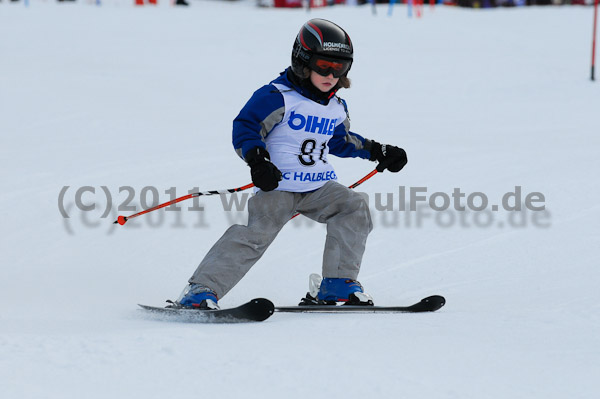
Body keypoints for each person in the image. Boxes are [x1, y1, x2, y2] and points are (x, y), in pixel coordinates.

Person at [177, 19, 407, 309]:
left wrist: (377, 150)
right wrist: (257, 161)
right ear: (302, 61)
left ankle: (337, 284)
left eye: (339, 68)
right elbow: (247, 127)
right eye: (324, 65)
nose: (330, 75)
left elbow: (340, 141)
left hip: (318, 188)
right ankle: (201, 290)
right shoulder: (277, 96)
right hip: (278, 187)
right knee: (255, 236)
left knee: (353, 207)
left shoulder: (336, 106)